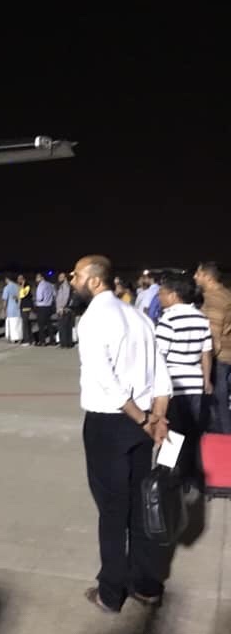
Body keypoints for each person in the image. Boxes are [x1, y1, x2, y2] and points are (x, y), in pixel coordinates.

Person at [72, 255, 172, 613]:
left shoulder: (93, 319)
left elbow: (106, 380)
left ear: (95, 281)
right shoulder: (138, 316)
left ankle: (111, 592)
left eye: (77, 275)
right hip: (142, 424)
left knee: (113, 512)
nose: (72, 281)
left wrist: (144, 419)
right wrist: (158, 417)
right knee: (142, 504)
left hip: (111, 424)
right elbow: (161, 374)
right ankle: (146, 584)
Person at [155, 272, 213, 488]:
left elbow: (159, 356)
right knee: (192, 433)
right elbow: (206, 352)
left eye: (162, 293)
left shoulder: (168, 320)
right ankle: (191, 477)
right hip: (195, 384)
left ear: (173, 295)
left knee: (172, 433)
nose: (159, 298)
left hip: (173, 384)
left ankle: (168, 477)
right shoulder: (201, 318)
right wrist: (206, 380)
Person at [194, 261, 231, 434]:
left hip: (218, 359)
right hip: (227, 356)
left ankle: (224, 442)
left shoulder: (214, 299)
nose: (195, 277)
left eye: (198, 274)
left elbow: (213, 336)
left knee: (218, 406)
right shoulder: (226, 294)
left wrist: (205, 364)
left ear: (208, 277)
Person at [34, 272, 55, 346]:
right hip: (49, 307)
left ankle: (42, 341)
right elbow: (54, 295)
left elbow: (40, 298)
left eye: (37, 277)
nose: (36, 279)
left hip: (41, 307)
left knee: (41, 325)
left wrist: (35, 300)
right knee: (49, 324)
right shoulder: (50, 285)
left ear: (41, 277)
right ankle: (52, 340)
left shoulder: (40, 285)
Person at [55, 271, 74, 348]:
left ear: (65, 278)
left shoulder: (65, 286)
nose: (59, 278)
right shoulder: (63, 285)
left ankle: (64, 344)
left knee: (63, 327)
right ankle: (67, 343)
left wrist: (61, 308)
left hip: (63, 309)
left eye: (61, 277)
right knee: (66, 327)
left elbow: (65, 297)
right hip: (65, 309)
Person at [1, 275, 21, 343]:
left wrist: (3, 310)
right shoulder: (18, 287)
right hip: (18, 309)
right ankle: (19, 338)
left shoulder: (6, 288)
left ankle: (13, 339)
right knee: (18, 324)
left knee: (11, 324)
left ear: (7, 279)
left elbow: (5, 300)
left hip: (10, 309)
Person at [17, 275, 33, 346]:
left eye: (19, 279)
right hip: (23, 307)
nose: (18, 280)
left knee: (25, 324)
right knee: (26, 324)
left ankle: (27, 341)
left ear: (23, 279)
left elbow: (22, 295)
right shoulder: (22, 286)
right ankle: (30, 339)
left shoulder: (27, 286)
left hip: (26, 307)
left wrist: (22, 285)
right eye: (18, 279)